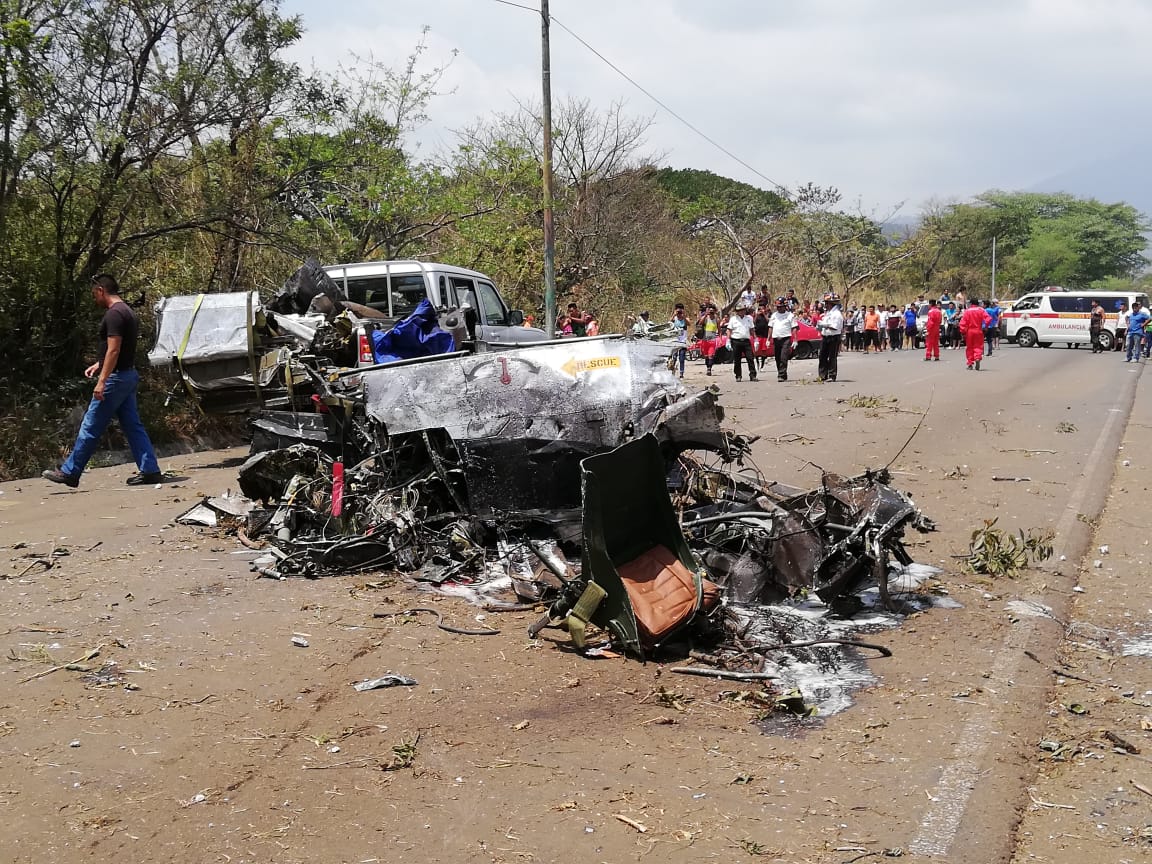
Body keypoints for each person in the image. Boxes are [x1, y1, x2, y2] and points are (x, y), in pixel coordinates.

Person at [43, 274, 163, 488]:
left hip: (115, 379)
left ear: (101, 290)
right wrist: (100, 363)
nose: (94, 298)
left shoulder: (114, 314)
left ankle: (70, 472)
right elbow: (120, 349)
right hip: (128, 375)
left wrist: (102, 380)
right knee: (132, 425)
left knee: (91, 424)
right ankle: (150, 470)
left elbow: (114, 350)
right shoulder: (127, 311)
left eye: (94, 294)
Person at [767, 298, 799, 382]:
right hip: (776, 339)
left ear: (785, 306)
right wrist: (768, 339)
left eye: (781, 307)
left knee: (783, 357)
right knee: (777, 358)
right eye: (777, 307)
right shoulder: (774, 315)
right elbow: (770, 327)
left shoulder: (790, 315)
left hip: (786, 339)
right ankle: (782, 374)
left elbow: (794, 328)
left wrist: (795, 339)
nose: (779, 308)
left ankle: (781, 374)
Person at [727, 304, 757, 382]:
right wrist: (728, 340)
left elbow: (752, 330)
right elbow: (729, 330)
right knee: (737, 360)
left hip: (746, 341)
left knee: (750, 358)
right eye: (739, 310)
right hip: (736, 341)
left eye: (743, 310)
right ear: (737, 312)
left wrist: (755, 339)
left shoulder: (749, 318)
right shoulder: (733, 319)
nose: (741, 312)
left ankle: (753, 375)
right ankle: (738, 375)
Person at [818, 294, 844, 382]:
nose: (825, 305)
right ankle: (822, 375)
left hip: (833, 337)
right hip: (825, 336)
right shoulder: (828, 313)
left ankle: (832, 375)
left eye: (827, 303)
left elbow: (835, 327)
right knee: (822, 356)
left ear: (831, 304)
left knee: (832, 357)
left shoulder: (837, 314)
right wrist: (820, 326)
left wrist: (825, 325)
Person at [959, 297, 991, 370]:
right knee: (978, 346)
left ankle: (970, 364)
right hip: (978, 330)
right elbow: (988, 319)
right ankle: (977, 357)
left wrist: (962, 331)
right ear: (978, 303)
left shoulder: (967, 311)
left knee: (969, 347)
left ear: (971, 303)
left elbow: (963, 323)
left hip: (969, 331)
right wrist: (985, 326)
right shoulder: (981, 310)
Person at [697, 305, 719, 375]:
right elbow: (700, 323)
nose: (711, 313)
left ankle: (709, 369)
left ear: (715, 312)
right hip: (705, 340)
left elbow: (719, 330)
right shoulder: (706, 318)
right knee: (706, 356)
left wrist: (720, 339)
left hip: (712, 340)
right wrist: (705, 315)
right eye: (710, 311)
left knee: (711, 355)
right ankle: (707, 367)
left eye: (712, 312)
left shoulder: (717, 319)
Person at [752, 303, 772, 370]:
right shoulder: (756, 316)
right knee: (756, 350)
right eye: (760, 309)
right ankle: (757, 363)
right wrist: (756, 315)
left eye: (762, 309)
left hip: (765, 335)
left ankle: (762, 366)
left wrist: (764, 314)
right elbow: (753, 322)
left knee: (764, 351)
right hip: (758, 335)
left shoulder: (767, 315)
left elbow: (769, 321)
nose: (761, 310)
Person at [670, 307, 689, 377]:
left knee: (681, 358)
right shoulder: (674, 319)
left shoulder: (685, 319)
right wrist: (674, 315)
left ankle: (681, 373)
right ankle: (672, 371)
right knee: (674, 358)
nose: (679, 314)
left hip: (682, 342)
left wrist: (684, 317)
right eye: (678, 312)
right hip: (675, 341)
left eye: (680, 312)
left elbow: (688, 323)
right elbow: (669, 323)